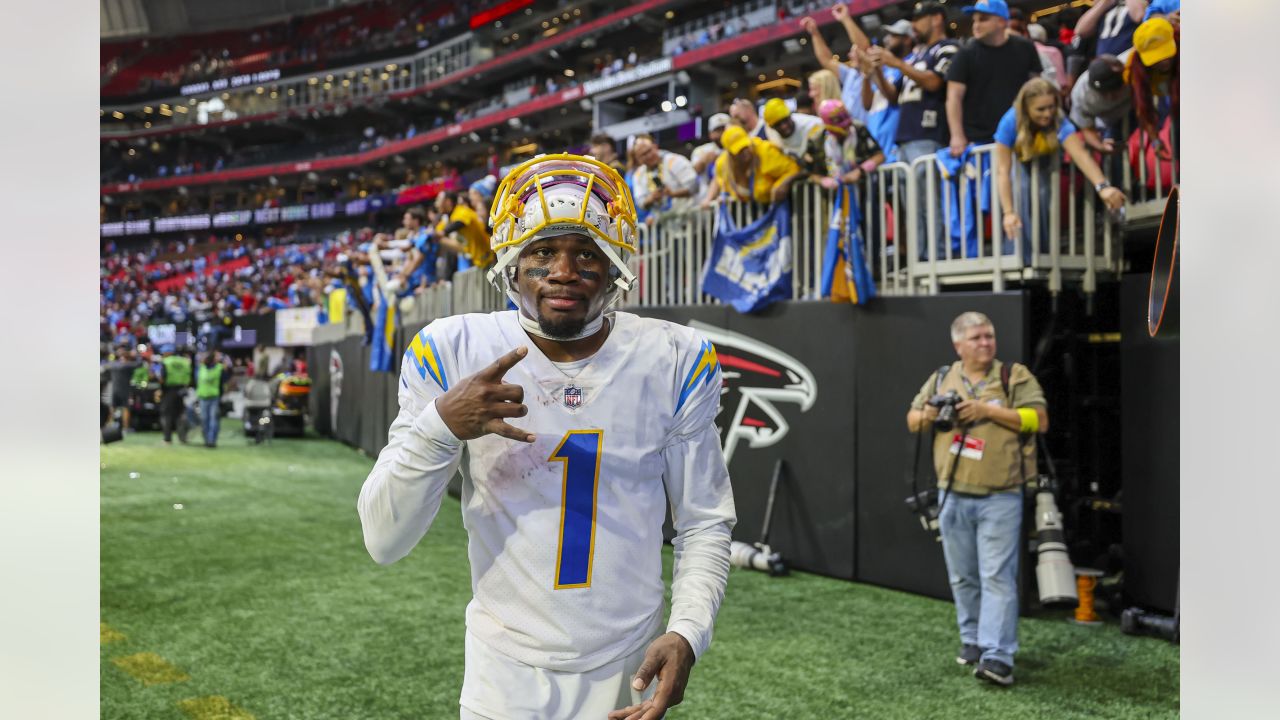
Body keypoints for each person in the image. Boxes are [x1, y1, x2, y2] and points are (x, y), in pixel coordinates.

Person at [357, 153, 736, 720]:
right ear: (510, 264)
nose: (564, 270)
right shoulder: (453, 349)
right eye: (543, 251)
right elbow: (384, 540)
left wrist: (687, 631)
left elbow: (703, 520)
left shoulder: (673, 358)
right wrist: (440, 425)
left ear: (615, 267)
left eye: (587, 252)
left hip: (625, 669)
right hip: (501, 670)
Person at [905, 311, 1049, 687]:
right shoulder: (942, 377)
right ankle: (971, 640)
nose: (986, 343)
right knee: (963, 576)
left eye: (989, 336)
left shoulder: (1012, 376)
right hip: (952, 494)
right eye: (977, 338)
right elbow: (912, 419)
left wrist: (987, 410)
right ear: (958, 345)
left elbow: (1040, 420)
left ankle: (998, 656)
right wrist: (932, 412)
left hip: (1001, 495)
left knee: (997, 577)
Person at [993, 77, 1127, 260]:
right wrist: (1008, 212)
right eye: (1040, 109)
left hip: (1043, 167)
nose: (1048, 114)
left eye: (1051, 106)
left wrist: (1102, 187)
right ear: (1026, 108)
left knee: (1044, 196)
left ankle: (1043, 255)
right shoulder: (1009, 122)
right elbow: (1002, 171)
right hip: (1017, 169)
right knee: (1022, 192)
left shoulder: (1058, 119)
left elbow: (1080, 154)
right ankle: (1017, 256)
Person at [867, 0, 958, 259]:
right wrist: (876, 72)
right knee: (913, 207)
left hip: (928, 134)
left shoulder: (947, 48)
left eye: (919, 19)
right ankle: (920, 261)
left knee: (930, 203)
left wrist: (896, 64)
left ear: (936, 18)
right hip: (906, 139)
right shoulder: (917, 55)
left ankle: (937, 259)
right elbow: (894, 96)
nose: (915, 25)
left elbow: (934, 83)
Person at [945, 0, 1044, 155]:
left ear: (1001, 21)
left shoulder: (1025, 48)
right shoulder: (965, 54)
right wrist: (957, 136)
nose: (976, 25)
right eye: (974, 20)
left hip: (1020, 134)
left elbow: (1037, 89)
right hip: (980, 140)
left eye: (983, 19)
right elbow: (953, 97)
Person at [710, 125, 802, 206]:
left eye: (746, 146)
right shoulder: (722, 165)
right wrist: (725, 198)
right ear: (730, 154)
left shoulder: (765, 151)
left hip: (781, 206)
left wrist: (781, 184)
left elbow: (794, 168)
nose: (745, 152)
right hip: (750, 215)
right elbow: (726, 189)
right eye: (739, 151)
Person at [1127, 16, 1179, 156]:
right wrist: (1155, 141)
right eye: (1156, 56)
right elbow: (1143, 107)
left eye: (1165, 52)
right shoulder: (1134, 68)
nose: (1163, 61)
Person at [1068, 54, 1132, 155]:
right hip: (1109, 123)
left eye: (1113, 90)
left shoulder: (1132, 64)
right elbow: (1087, 128)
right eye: (1103, 93)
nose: (1110, 97)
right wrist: (1101, 146)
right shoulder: (1080, 94)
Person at [630, 137, 699, 219]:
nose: (648, 156)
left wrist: (673, 194)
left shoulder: (674, 160)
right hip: (665, 225)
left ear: (655, 147)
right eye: (643, 155)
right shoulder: (638, 175)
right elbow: (640, 202)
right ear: (638, 159)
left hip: (690, 218)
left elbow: (694, 185)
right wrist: (652, 198)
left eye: (649, 151)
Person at [761, 97, 828, 180]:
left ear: (790, 115)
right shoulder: (770, 131)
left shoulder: (814, 126)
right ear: (772, 127)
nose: (784, 126)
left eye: (785, 120)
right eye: (778, 124)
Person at [435, 190, 495, 272]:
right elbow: (437, 231)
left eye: (438, 200)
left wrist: (443, 232)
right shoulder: (448, 218)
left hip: (490, 257)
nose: (436, 204)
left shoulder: (462, 210)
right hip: (480, 261)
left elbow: (461, 222)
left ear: (448, 201)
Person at [157, 344, 192, 445]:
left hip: (169, 390)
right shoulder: (184, 361)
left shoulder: (166, 362)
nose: (163, 354)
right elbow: (189, 376)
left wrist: (160, 389)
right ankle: (183, 437)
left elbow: (162, 378)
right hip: (182, 391)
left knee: (166, 414)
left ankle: (167, 439)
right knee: (180, 414)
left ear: (168, 353)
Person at [690, 113, 731, 200]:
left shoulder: (738, 146)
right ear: (710, 134)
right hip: (708, 202)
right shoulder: (701, 150)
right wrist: (704, 161)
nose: (721, 134)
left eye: (724, 129)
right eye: (717, 130)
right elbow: (693, 174)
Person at [195, 351, 227, 448]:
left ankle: (211, 440)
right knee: (205, 420)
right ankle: (207, 439)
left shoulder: (218, 368)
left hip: (213, 397)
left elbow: (223, 380)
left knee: (213, 420)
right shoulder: (202, 368)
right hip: (203, 397)